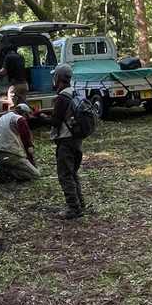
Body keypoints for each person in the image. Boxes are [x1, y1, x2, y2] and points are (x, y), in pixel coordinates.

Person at [49, 63, 85, 219]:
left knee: (65, 175)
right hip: (77, 140)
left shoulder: (62, 98)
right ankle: (80, 203)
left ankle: (73, 208)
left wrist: (41, 117)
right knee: (73, 174)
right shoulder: (74, 93)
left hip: (65, 140)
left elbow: (56, 122)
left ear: (58, 78)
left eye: (55, 76)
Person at [0, 103, 40, 182]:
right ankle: (7, 171)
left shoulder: (2, 118)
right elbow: (27, 142)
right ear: (24, 113)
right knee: (35, 175)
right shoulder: (20, 119)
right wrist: (32, 162)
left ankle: (5, 166)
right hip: (10, 153)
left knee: (15, 162)